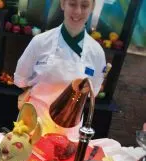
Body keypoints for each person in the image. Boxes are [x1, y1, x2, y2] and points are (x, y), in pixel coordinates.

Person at [14, 0, 106, 140]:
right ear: (63, 4)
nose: (78, 11)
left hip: (69, 129)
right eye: (72, 4)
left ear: (92, 7)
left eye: (85, 6)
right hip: (34, 123)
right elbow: (20, 79)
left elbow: (93, 92)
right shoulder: (40, 42)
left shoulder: (97, 53)